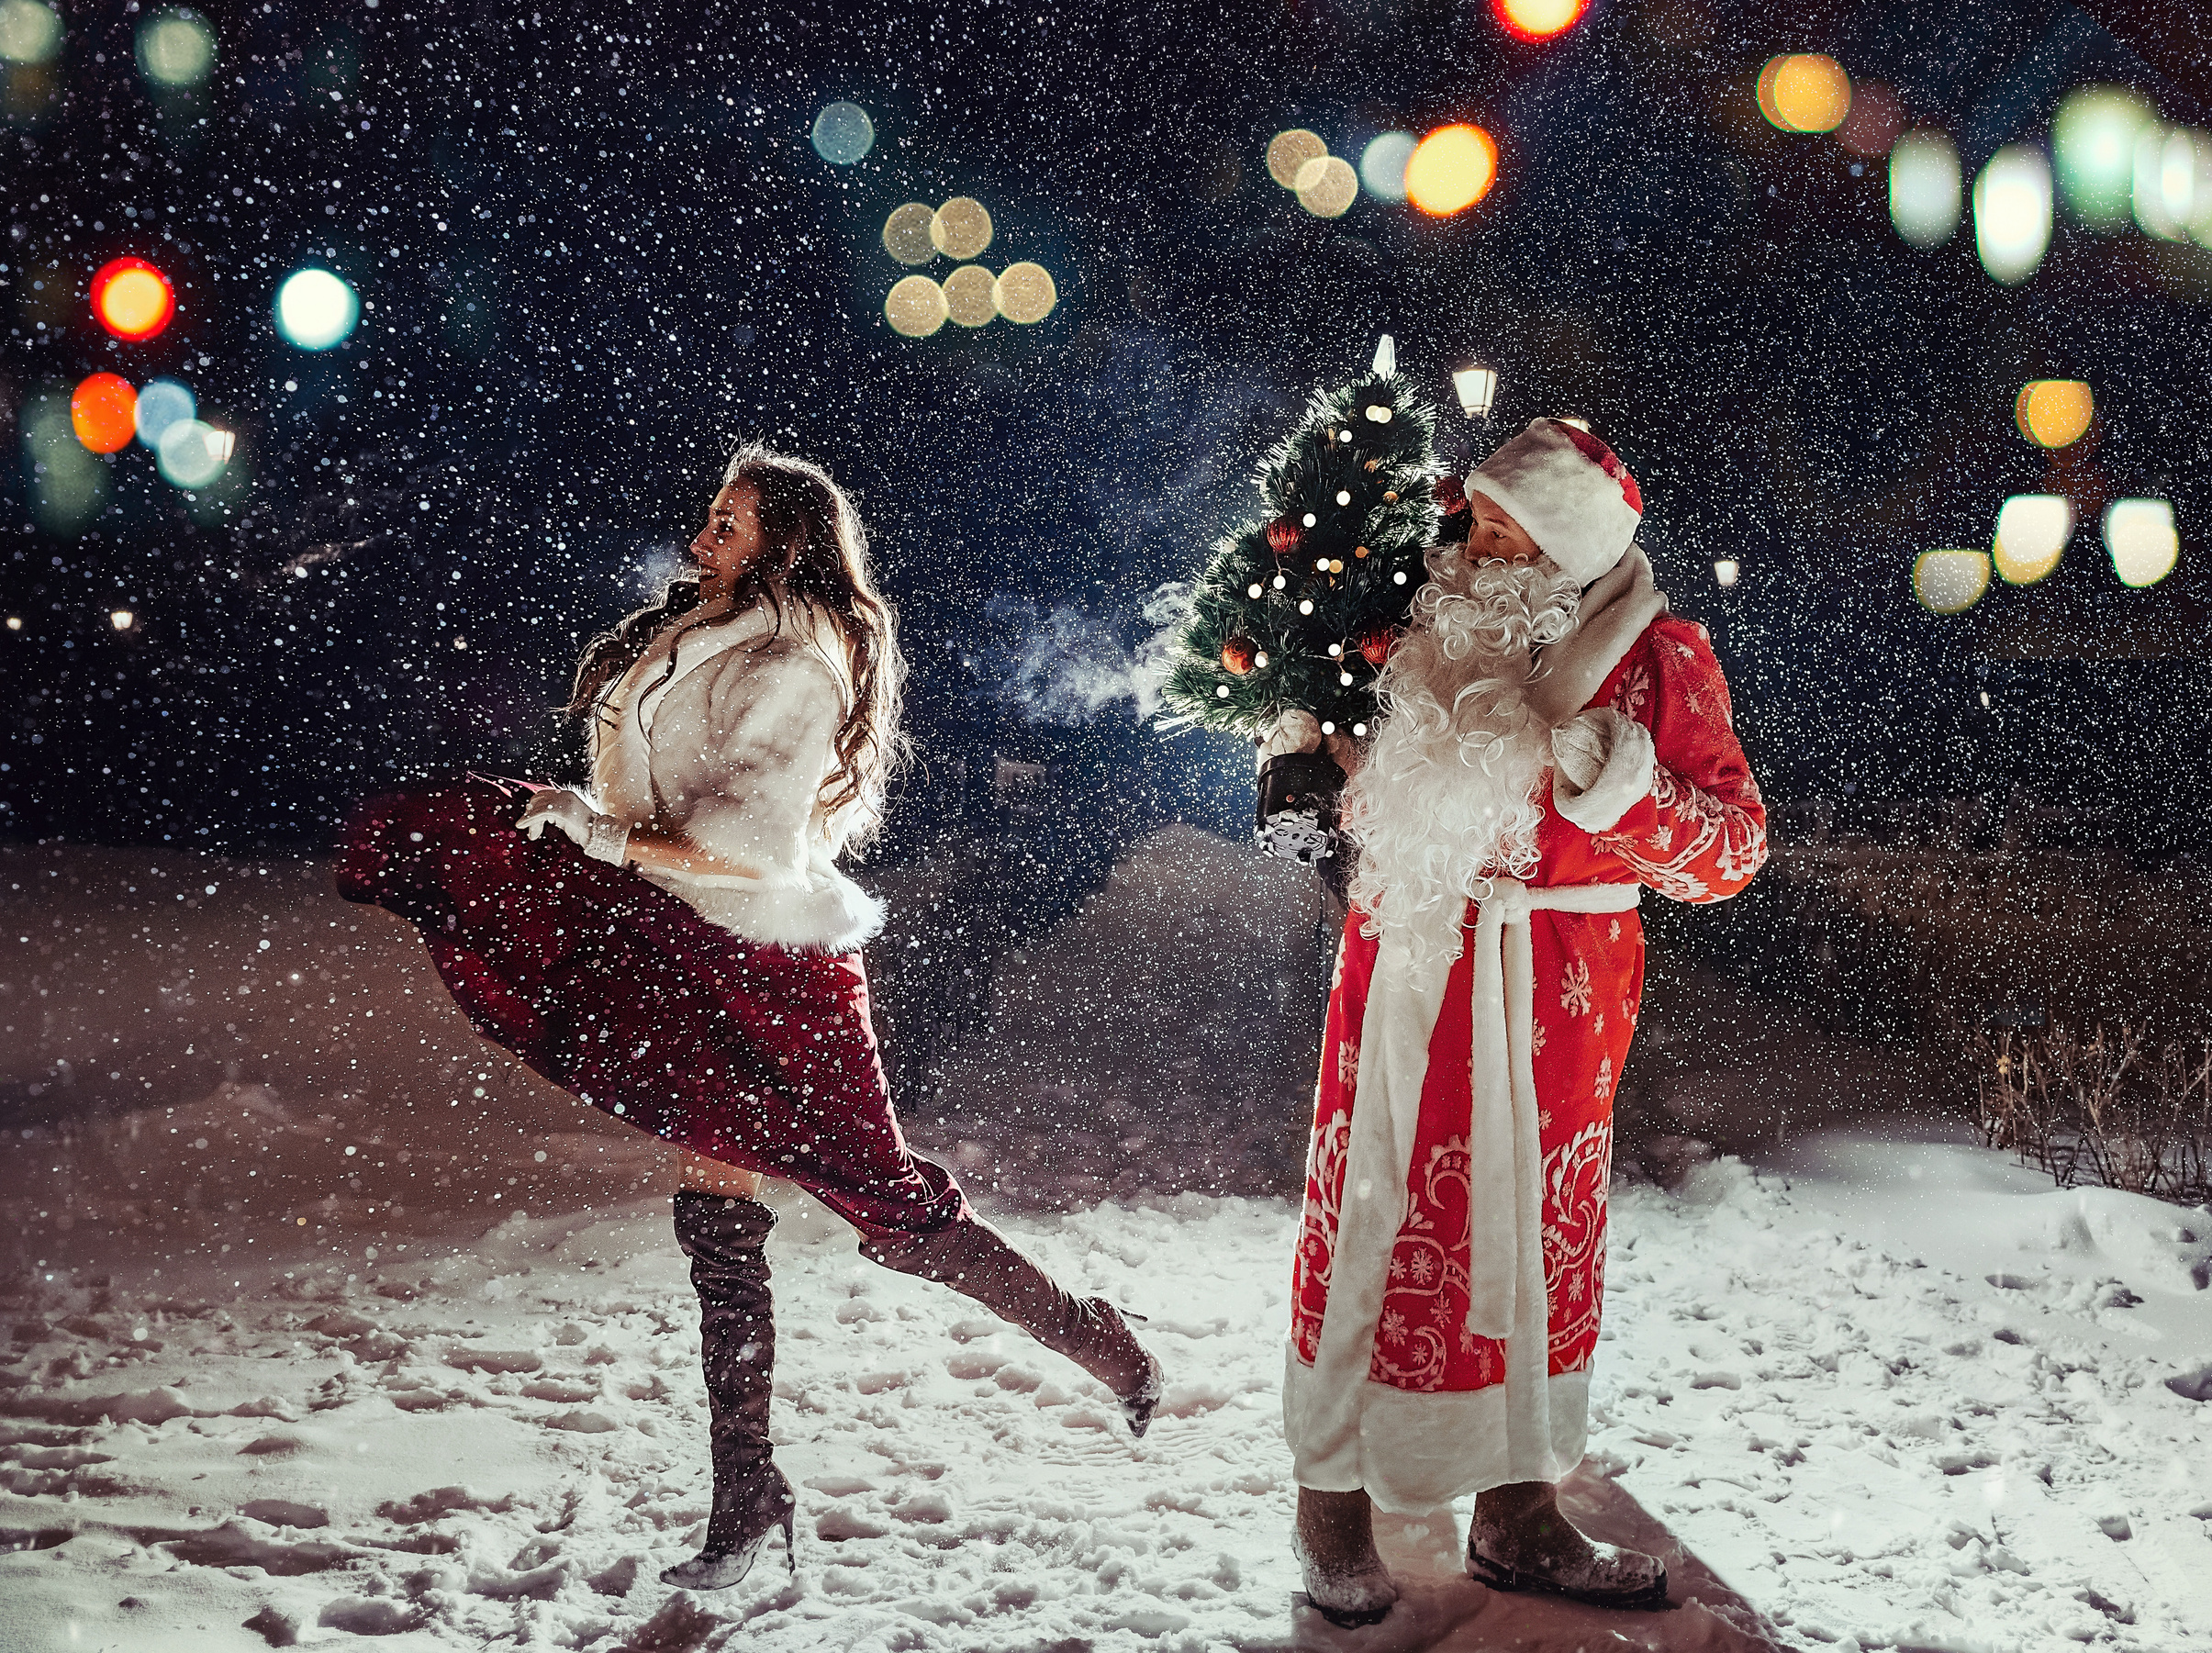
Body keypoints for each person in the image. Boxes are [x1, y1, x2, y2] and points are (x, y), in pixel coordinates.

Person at [336, 444, 1161, 1592]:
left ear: (783, 543)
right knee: (715, 1212)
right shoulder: (697, 633)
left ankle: (1096, 1338)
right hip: (681, 932)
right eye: (709, 519)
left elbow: (744, 845)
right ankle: (748, 1497)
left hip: (772, 965)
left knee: (896, 1216)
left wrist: (598, 836)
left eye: (728, 525)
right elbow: (646, 803)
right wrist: (576, 815)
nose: (701, 539)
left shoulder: (796, 666)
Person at [1282, 419, 1768, 1625]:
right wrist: (1297, 763)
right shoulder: (1411, 625)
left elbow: (1731, 851)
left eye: (1510, 524)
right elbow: (1341, 737)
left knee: (1526, 1248)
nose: (1479, 537)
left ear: (1575, 541)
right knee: (1373, 1221)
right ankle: (1331, 1501)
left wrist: (1624, 785)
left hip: (1550, 985)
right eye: (1481, 514)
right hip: (1402, 963)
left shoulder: (1662, 660)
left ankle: (1517, 1513)